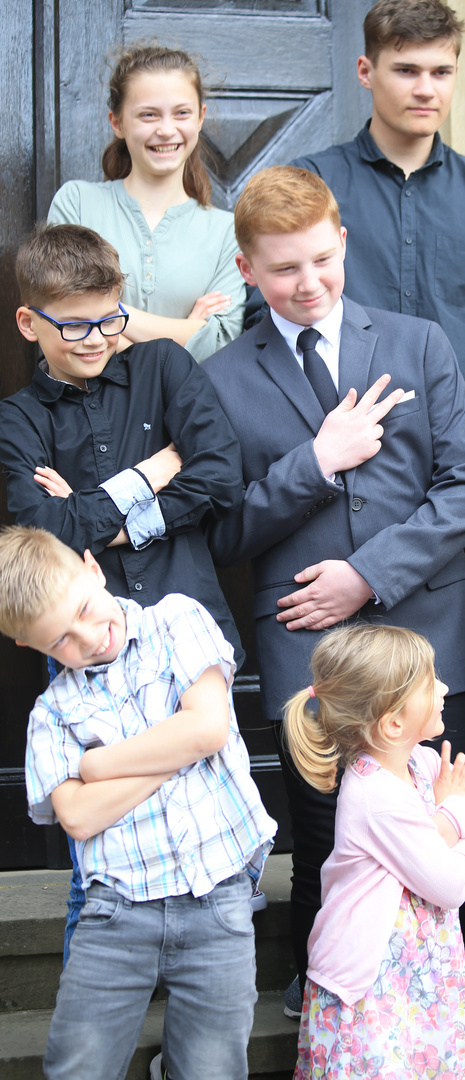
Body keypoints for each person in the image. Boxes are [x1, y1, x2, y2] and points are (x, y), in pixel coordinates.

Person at [264, 0, 465, 1003]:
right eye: (406, 71)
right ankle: (341, 945)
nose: (425, 88)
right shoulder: (319, 190)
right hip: (340, 495)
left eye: (440, 71)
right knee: (348, 716)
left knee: (460, 712)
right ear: (366, 72)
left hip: (461, 492)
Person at [203, 164, 465, 1013]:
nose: (308, 283)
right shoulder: (221, 381)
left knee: (450, 800)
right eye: (284, 268)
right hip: (309, 645)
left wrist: (367, 574)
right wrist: (314, 463)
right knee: (328, 824)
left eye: (321, 261)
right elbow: (223, 531)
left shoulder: (417, 343)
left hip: (432, 623)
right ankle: (323, 980)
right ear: (248, 269)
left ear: (343, 240)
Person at [0, 221, 244, 969]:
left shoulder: (165, 367)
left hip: (181, 623)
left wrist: (100, 515)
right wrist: (151, 474)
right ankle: (104, 1011)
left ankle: (201, 1011)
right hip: (83, 646)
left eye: (109, 318)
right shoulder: (16, 420)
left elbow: (221, 475)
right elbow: (48, 529)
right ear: (29, 322)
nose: (95, 338)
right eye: (72, 325)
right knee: (101, 857)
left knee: (212, 828)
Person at [0, 525, 276, 1080]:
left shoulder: (178, 619)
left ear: (92, 568)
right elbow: (76, 816)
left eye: (83, 608)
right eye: (60, 641)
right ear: (29, 646)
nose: (88, 638)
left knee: (212, 1067)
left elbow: (208, 729)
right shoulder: (51, 716)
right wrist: (176, 746)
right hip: (116, 912)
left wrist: (99, 765)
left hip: (217, 896)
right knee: (79, 1064)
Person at [283, 623, 465, 1080]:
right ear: (392, 723)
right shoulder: (374, 796)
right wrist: (453, 812)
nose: (446, 687)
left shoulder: (424, 764)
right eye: (431, 682)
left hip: (425, 982)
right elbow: (451, 886)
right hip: (372, 993)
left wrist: (445, 822)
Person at [47, 44, 244, 362]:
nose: (166, 130)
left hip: (182, 412)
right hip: (86, 408)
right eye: (148, 115)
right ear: (118, 123)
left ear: (200, 118)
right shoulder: (78, 203)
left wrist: (108, 315)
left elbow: (219, 345)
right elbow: (64, 318)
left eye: (182, 113)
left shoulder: (226, 232)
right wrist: (186, 331)